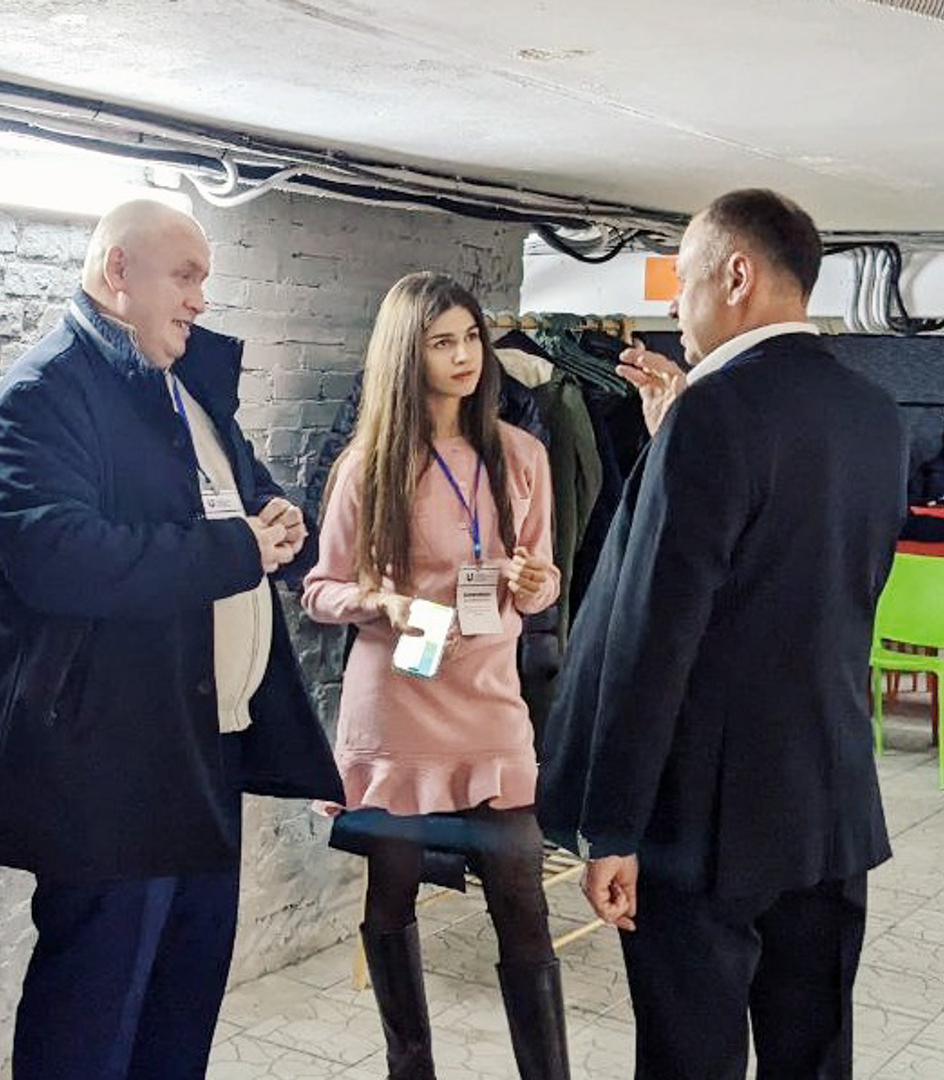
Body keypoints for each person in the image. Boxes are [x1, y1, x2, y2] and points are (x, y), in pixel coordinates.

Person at [0, 199, 342, 1080]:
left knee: (181, 998)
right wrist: (238, 547)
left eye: (204, 279)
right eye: (185, 276)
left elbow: (247, 505)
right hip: (108, 766)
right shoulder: (43, 396)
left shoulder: (185, 390)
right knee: (93, 1015)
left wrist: (283, 524)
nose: (201, 299)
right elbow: (58, 558)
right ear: (117, 272)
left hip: (203, 750)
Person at [539, 188, 905, 1078]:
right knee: (813, 1053)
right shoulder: (875, 414)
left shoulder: (713, 413)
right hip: (829, 794)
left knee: (690, 1057)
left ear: (736, 275)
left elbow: (654, 635)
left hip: (705, 814)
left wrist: (612, 824)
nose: (674, 305)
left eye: (683, 279)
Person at [302, 271, 569, 1080]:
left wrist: (536, 583)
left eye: (471, 337)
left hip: (489, 704)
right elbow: (320, 590)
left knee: (521, 896)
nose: (464, 356)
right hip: (398, 703)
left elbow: (544, 581)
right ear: (405, 356)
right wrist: (378, 599)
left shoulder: (522, 455)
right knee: (390, 894)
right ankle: (408, 1067)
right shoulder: (368, 466)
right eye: (441, 342)